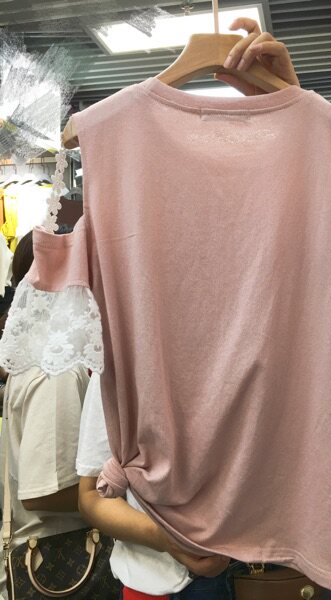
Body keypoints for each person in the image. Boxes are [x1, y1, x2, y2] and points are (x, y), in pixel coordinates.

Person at [77, 16, 300, 600]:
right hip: (158, 579)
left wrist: (292, 102)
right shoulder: (129, 340)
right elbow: (89, 497)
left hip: (272, 573)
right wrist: (175, 540)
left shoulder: (273, 328)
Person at [0, 231, 91, 600]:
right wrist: (118, 500)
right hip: (58, 567)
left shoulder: (37, 359)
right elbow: (45, 493)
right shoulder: (56, 370)